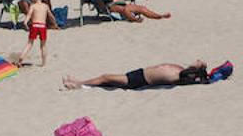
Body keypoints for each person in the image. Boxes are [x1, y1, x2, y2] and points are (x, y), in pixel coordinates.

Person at [62, 61, 208, 90]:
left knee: (105, 77)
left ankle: (78, 84)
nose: (197, 60)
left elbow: (196, 81)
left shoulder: (180, 77)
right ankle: (79, 83)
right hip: (139, 73)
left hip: (138, 80)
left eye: (198, 63)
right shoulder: (181, 69)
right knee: (109, 80)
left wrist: (201, 75)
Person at [14, 0, 58, 67]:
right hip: (42, 26)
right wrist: (55, 24)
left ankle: (20, 59)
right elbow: (51, 16)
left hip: (34, 25)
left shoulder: (33, 6)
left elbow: (29, 15)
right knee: (43, 46)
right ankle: (43, 63)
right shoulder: (45, 6)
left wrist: (25, 22)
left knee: (29, 44)